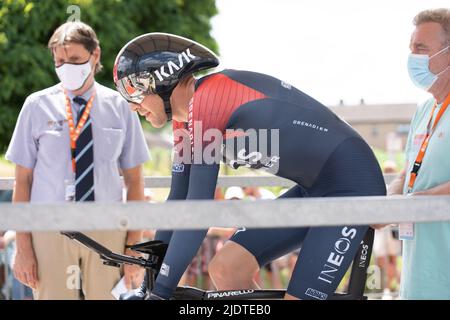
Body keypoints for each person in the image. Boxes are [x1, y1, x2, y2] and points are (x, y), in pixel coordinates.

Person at [113, 33, 386, 300]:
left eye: (132, 90)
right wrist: (152, 282)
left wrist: (160, 292)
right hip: (313, 188)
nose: (132, 105)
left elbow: (198, 208)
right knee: (227, 268)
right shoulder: (186, 122)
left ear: (162, 79)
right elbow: (178, 201)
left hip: (352, 186)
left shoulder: (208, 100)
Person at [5, 21, 150, 299]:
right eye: (59, 61)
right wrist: (23, 248)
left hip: (107, 231)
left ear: (94, 55)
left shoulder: (120, 106)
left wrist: (134, 247)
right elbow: (22, 182)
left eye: (73, 59)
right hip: (49, 231)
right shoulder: (36, 106)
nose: (65, 67)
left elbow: (135, 182)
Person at [387, 8, 450, 299]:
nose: (412, 57)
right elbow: (410, 170)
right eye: (411, 48)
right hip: (416, 277)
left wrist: (412, 203)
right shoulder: (425, 109)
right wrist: (383, 204)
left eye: (421, 49)